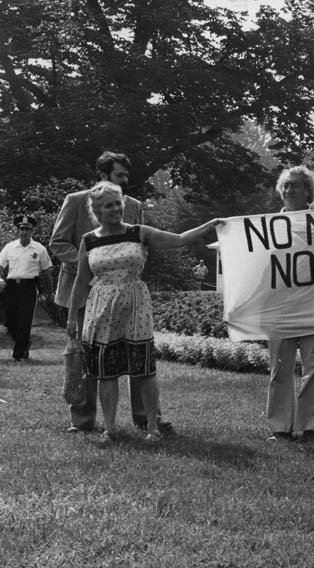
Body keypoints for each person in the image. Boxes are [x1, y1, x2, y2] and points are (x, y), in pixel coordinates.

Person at [65, 182, 222, 443]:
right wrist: (72, 317)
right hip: (100, 309)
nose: (115, 209)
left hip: (135, 307)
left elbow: (179, 239)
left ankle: (151, 426)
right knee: (106, 371)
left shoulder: (139, 233)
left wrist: (210, 225)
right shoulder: (89, 240)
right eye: (108, 205)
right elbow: (81, 281)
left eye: (118, 203)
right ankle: (110, 427)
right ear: (97, 210)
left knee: (144, 368)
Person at [50, 151, 171, 434]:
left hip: (124, 294)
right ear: (103, 176)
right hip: (85, 293)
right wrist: (88, 266)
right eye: (119, 175)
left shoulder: (134, 205)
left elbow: (141, 245)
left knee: (137, 355)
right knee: (90, 357)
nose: (125, 181)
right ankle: (82, 420)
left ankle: (146, 417)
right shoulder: (76, 201)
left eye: (127, 176)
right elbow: (58, 242)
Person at [266, 166, 314, 442]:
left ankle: (309, 427)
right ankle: (280, 427)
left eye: (296, 186)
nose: (290, 190)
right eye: (286, 186)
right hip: (280, 306)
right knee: (280, 366)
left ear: (309, 193)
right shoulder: (266, 227)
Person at [0, 215, 54, 361]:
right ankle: (24, 343)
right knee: (10, 321)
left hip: (29, 287)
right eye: (21, 229)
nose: (24, 232)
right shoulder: (10, 247)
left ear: (32, 231)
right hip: (11, 287)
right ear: (17, 230)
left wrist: (50, 293)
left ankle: (19, 354)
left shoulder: (39, 249)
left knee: (25, 320)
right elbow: (0, 266)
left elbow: (46, 272)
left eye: (27, 229)